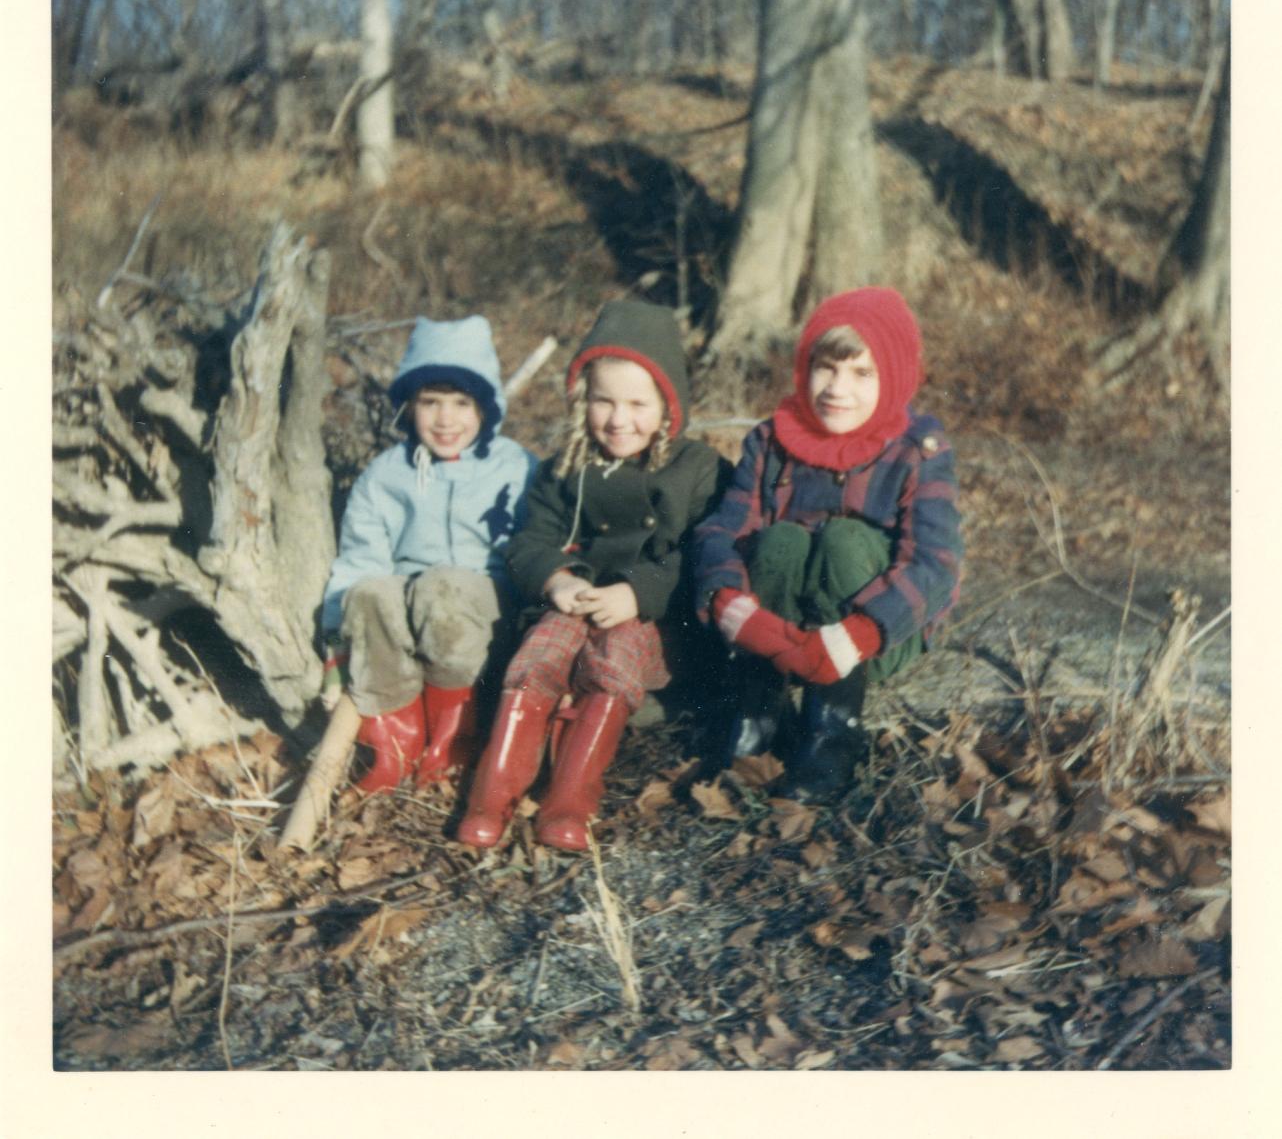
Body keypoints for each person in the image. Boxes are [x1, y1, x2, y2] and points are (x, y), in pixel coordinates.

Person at [456, 300, 728, 852]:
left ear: (668, 405)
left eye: (637, 404)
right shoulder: (566, 467)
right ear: (583, 401)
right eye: (603, 401)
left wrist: (637, 593)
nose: (618, 419)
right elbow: (530, 540)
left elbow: (704, 552)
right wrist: (557, 580)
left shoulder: (695, 469)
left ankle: (568, 803)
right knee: (538, 655)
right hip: (575, 604)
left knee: (615, 661)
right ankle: (490, 798)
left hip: (652, 618)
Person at [691, 287, 963, 802]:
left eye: (863, 374)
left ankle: (833, 730)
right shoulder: (771, 441)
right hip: (776, 636)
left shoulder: (916, 449)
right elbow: (721, 531)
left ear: (895, 377)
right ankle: (758, 712)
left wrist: (858, 635)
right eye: (825, 368)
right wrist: (729, 601)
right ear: (804, 367)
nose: (837, 389)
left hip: (873, 637)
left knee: (842, 538)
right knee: (781, 542)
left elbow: (936, 563)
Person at [321, 316, 538, 792]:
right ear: (408, 405)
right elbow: (361, 558)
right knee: (372, 592)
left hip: (482, 617)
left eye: (462, 403)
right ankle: (396, 745)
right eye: (430, 402)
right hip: (410, 616)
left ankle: (454, 739)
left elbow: (541, 545)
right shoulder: (385, 476)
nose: (445, 419)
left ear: (485, 407)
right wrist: (337, 638)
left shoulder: (516, 468)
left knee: (444, 587)